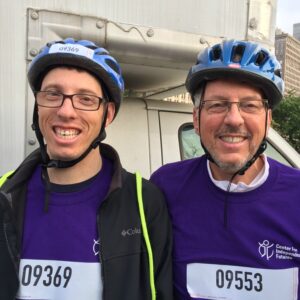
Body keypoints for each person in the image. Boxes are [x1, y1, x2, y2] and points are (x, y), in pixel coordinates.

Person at [0, 38, 172, 300]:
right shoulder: (5, 195)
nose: (66, 111)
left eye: (86, 99)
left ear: (108, 113)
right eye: (53, 94)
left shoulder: (144, 201)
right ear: (38, 106)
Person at [151, 39, 300, 300]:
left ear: (268, 120)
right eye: (217, 104)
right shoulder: (166, 186)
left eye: (249, 105)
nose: (233, 119)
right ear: (196, 119)